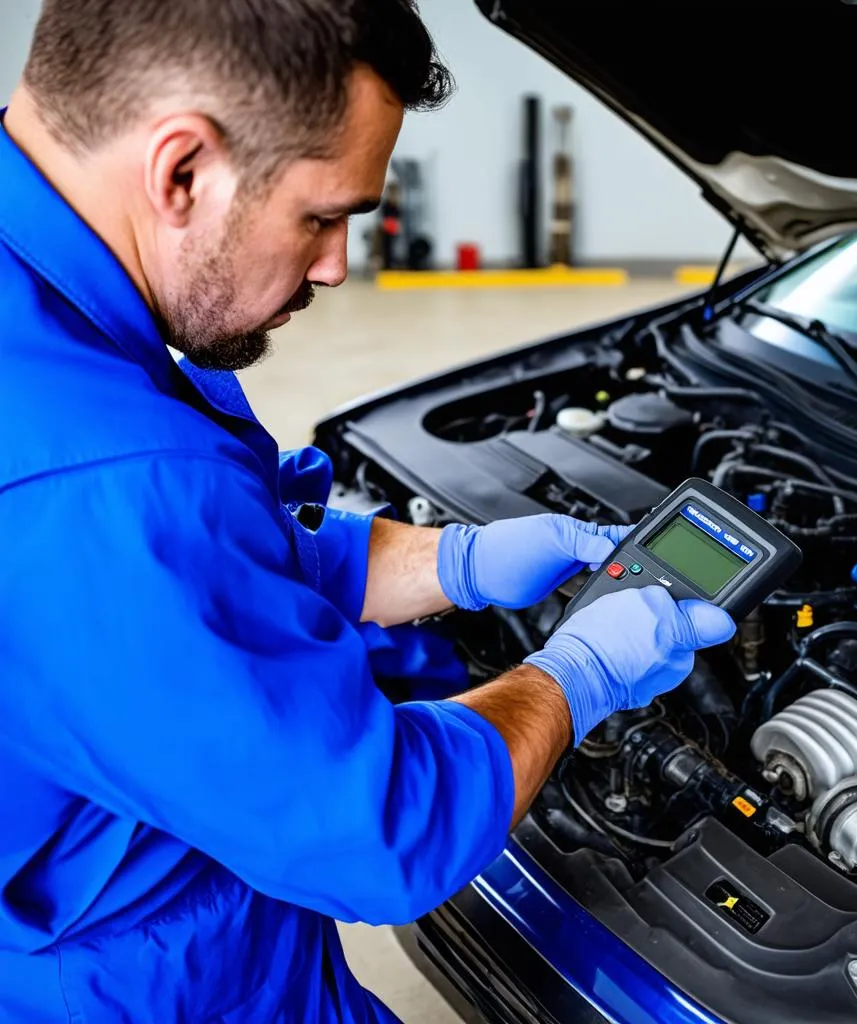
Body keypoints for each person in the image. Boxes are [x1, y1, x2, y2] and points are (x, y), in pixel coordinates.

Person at [0, 2, 736, 1021]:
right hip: (151, 982)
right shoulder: (117, 488)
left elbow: (192, 580)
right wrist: (575, 674)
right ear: (181, 172)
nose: (338, 263)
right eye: (321, 215)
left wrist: (455, 561)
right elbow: (385, 826)